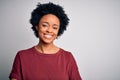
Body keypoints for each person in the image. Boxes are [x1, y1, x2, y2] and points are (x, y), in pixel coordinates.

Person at [9, 2, 82, 80]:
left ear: (58, 31)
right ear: (37, 26)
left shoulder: (68, 58)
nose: (49, 30)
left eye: (54, 27)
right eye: (45, 25)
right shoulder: (22, 56)